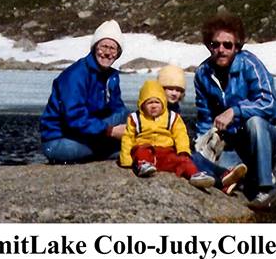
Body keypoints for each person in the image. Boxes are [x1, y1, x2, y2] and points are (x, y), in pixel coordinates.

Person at [194, 13, 276, 209]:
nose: (221, 50)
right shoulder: (203, 73)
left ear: (237, 46)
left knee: (255, 122)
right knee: (199, 158)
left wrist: (235, 111)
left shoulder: (250, 64)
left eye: (227, 45)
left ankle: (267, 186)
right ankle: (236, 177)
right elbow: (204, 116)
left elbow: (269, 103)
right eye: (215, 45)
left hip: (262, 137)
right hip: (232, 143)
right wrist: (203, 145)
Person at [40, 19, 129, 164]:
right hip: (59, 139)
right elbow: (74, 117)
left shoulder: (111, 76)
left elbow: (118, 109)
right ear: (94, 48)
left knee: (128, 117)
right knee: (113, 149)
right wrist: (110, 131)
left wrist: (132, 125)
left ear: (118, 53)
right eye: (103, 46)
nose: (107, 53)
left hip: (87, 133)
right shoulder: (76, 75)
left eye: (113, 48)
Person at [158, 62, 247, 194]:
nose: (174, 93)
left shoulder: (174, 108)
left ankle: (226, 175)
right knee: (193, 160)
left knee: (197, 157)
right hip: (162, 152)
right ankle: (221, 180)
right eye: (170, 89)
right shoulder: (155, 107)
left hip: (174, 150)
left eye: (178, 90)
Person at [119, 79, 214, 188]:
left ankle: (194, 174)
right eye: (149, 102)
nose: (154, 106)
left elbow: (180, 135)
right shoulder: (135, 118)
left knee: (183, 160)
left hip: (166, 152)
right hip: (145, 148)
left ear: (163, 102)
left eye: (157, 102)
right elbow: (128, 138)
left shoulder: (172, 117)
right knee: (141, 151)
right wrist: (126, 159)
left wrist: (183, 150)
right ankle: (143, 165)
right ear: (142, 104)